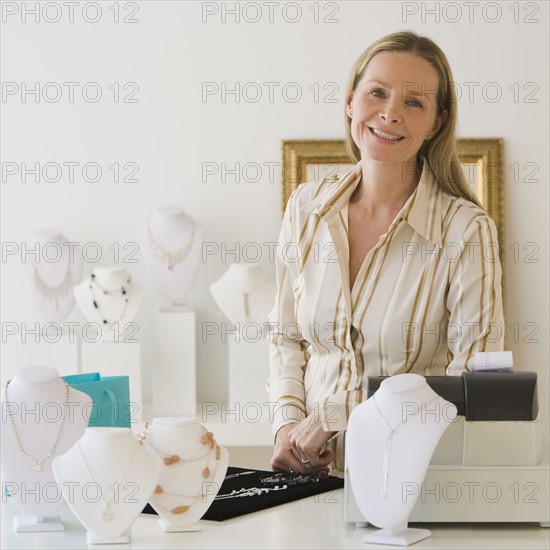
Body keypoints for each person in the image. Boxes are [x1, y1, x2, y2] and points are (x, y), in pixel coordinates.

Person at [267, 31, 504, 474]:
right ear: (351, 101)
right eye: (377, 92)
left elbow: (476, 386)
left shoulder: (467, 232)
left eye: (414, 103)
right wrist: (287, 425)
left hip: (413, 483)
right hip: (308, 479)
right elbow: (286, 338)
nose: (390, 113)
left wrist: (336, 414)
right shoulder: (305, 209)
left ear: (436, 122)